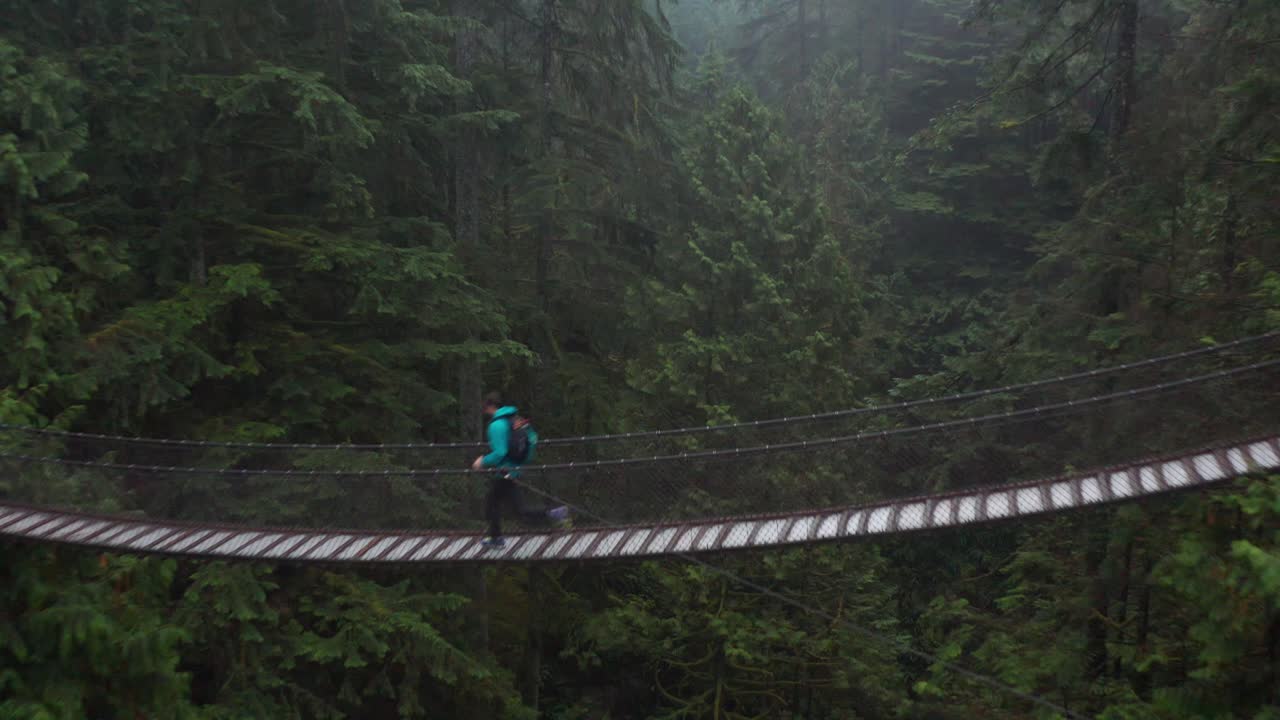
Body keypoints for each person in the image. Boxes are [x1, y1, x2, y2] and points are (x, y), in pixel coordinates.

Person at [471, 392, 569, 548]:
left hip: (504, 471)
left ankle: (496, 539)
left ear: (489, 406)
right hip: (513, 469)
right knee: (518, 510)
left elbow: (500, 452)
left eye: (484, 408)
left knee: (492, 505)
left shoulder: (496, 425)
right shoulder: (514, 420)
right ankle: (554, 513)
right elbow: (531, 439)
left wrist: (482, 461)